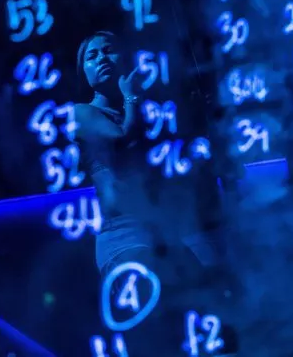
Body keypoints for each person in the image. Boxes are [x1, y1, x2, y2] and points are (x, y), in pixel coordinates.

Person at [73, 31, 236, 355]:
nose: (102, 58)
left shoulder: (150, 115)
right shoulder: (83, 112)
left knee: (211, 311)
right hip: (124, 239)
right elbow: (119, 142)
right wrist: (132, 98)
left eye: (109, 51)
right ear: (85, 73)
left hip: (163, 235)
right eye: (92, 56)